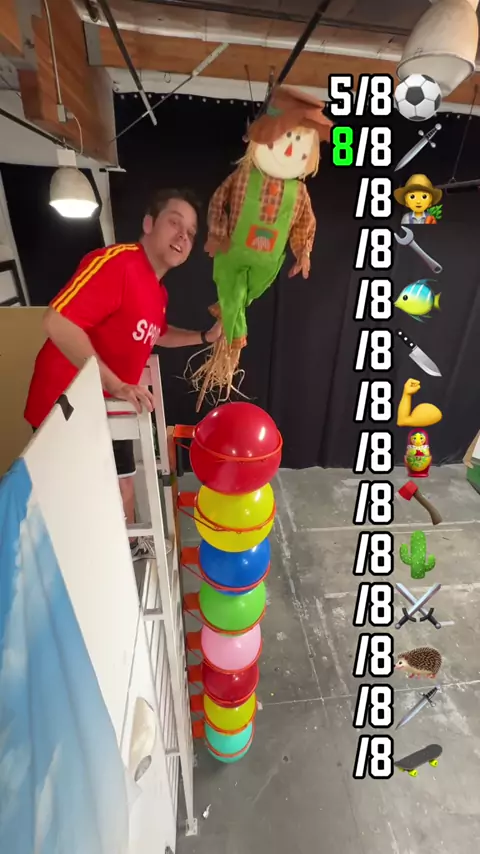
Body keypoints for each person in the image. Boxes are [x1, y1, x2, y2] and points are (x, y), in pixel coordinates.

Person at [24, 188, 222, 559]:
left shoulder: (157, 292)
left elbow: (156, 333)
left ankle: (129, 547)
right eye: (174, 223)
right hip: (65, 405)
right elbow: (57, 321)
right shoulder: (118, 263)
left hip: (111, 406)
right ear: (148, 223)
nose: (183, 236)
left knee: (122, 485)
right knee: (74, 503)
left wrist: (204, 337)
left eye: (191, 233)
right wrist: (115, 384)